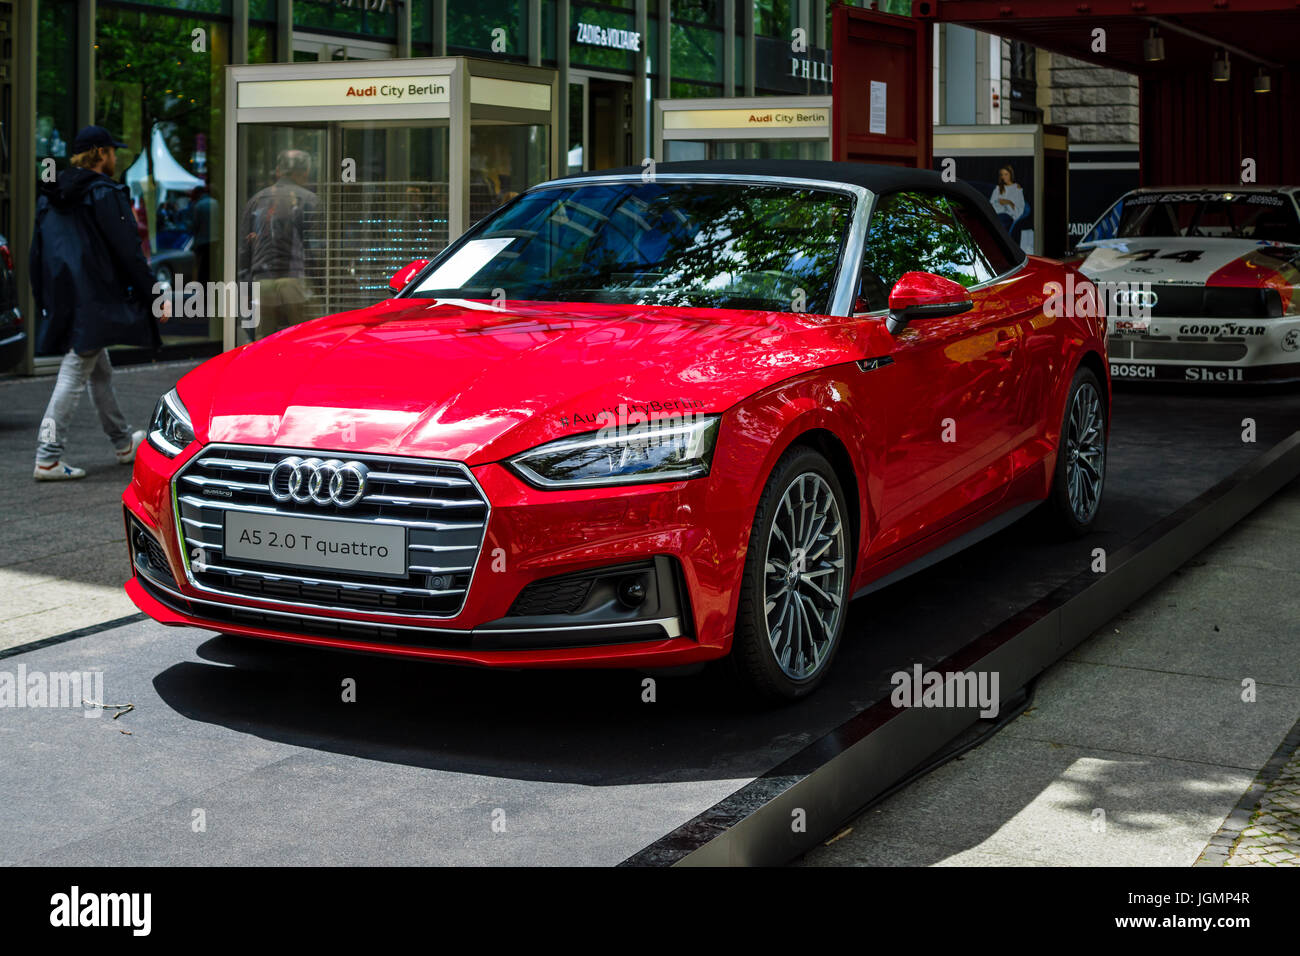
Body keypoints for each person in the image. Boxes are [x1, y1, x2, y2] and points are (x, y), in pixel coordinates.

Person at [30, 125, 169, 482]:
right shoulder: (105, 193)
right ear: (100, 153)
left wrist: (43, 294)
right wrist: (154, 293)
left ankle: (123, 442)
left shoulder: (51, 194)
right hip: (95, 297)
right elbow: (128, 251)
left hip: (67, 294)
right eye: (112, 150)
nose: (116, 156)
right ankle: (47, 457)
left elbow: (37, 251)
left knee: (98, 367)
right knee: (75, 371)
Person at [237, 149, 317, 340]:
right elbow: (314, 245)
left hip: (262, 279)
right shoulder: (309, 199)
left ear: (278, 171)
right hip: (295, 278)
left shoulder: (256, 200)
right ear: (305, 172)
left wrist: (245, 286)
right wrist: (320, 282)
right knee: (305, 337)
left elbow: (244, 248)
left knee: (265, 341)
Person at [990, 165, 1026, 233]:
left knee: (999, 222)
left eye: (1006, 174)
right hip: (996, 212)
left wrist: (1008, 202)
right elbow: (991, 203)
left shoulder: (1017, 189)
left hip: (1008, 215)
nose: (1003, 177)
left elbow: (1020, 207)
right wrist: (999, 202)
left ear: (1010, 175)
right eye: (1002, 175)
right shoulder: (998, 188)